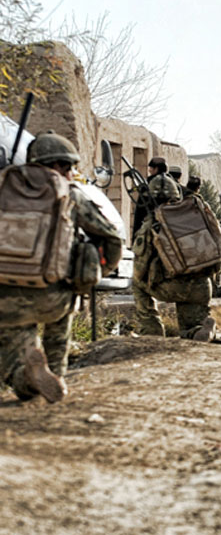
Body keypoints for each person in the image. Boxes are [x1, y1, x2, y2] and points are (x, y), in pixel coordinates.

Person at [0, 132, 122, 402]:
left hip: (4, 297)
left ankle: (27, 378)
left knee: (11, 363)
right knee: (62, 317)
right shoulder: (70, 195)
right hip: (54, 296)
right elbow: (112, 238)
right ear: (58, 166)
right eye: (68, 168)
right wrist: (98, 273)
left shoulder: (3, 187)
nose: (70, 174)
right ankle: (55, 375)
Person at [131, 174, 218, 341]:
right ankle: (197, 331)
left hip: (171, 286)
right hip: (201, 286)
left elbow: (140, 269)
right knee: (190, 326)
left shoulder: (152, 223)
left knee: (137, 284)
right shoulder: (194, 216)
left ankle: (152, 332)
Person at [132, 156, 168, 235]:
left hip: (152, 220)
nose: (149, 170)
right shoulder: (171, 181)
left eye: (151, 168)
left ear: (157, 169)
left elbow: (141, 207)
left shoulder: (149, 182)